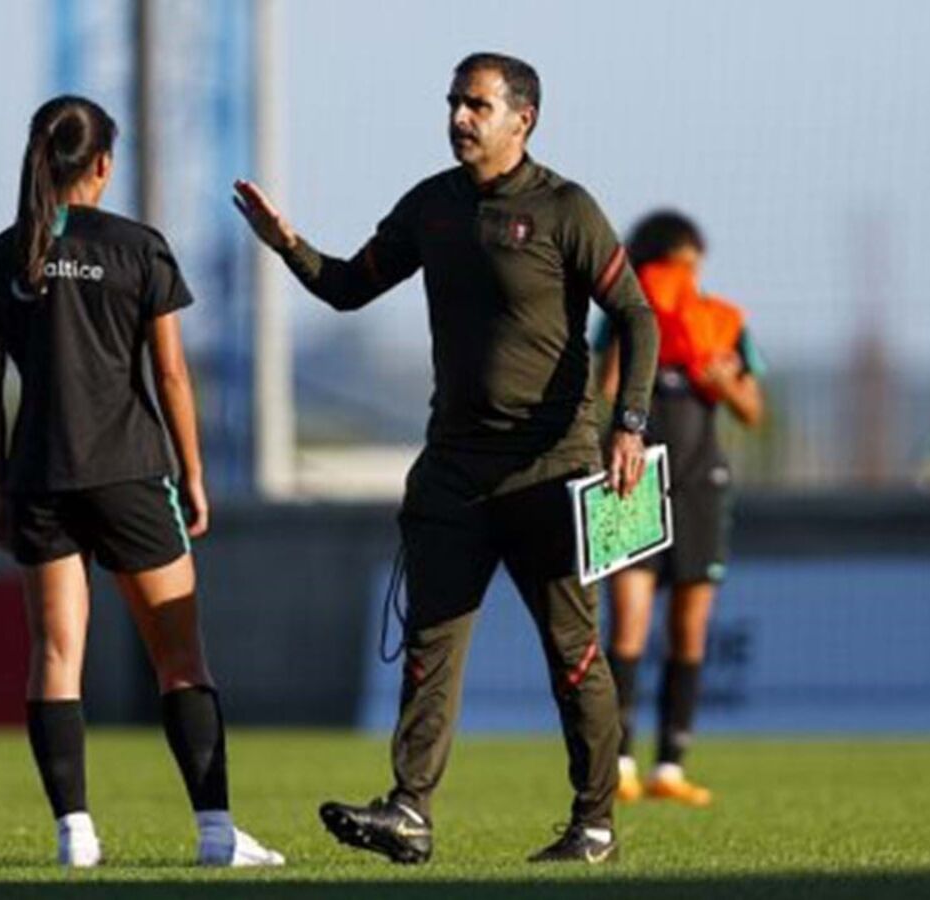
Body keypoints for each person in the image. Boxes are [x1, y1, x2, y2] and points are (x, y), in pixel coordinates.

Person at [235, 52, 658, 864]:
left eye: (476, 106)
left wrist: (629, 424)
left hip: (552, 473)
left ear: (522, 119)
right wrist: (289, 244)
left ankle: (595, 821)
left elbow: (637, 317)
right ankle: (410, 809)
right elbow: (349, 286)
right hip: (454, 475)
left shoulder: (567, 209)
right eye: (454, 103)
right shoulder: (433, 206)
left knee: (574, 657)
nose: (459, 118)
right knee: (429, 647)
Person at [0, 95, 283, 868]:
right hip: (134, 473)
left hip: (42, 477)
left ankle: (75, 833)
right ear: (103, 164)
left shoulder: (4, 253)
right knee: (181, 657)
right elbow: (169, 372)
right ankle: (214, 833)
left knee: (54, 655)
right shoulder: (139, 247)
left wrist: (1, 488)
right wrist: (195, 473)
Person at [595, 211, 765, 808]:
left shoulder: (721, 323)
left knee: (690, 627)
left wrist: (724, 383)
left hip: (700, 483)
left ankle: (670, 762)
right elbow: (605, 390)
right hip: (632, 481)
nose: (684, 278)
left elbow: (752, 409)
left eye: (692, 267)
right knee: (629, 619)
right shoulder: (619, 318)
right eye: (674, 266)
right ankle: (617, 759)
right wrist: (631, 326)